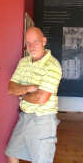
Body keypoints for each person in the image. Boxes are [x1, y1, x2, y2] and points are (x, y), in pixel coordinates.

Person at [5, 27, 62, 163]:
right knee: (11, 153)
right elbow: (11, 88)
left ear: (44, 41)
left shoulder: (52, 65)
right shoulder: (23, 62)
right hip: (24, 117)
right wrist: (29, 88)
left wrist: (21, 94)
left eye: (35, 41)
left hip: (43, 120)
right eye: (28, 43)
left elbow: (41, 98)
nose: (31, 46)